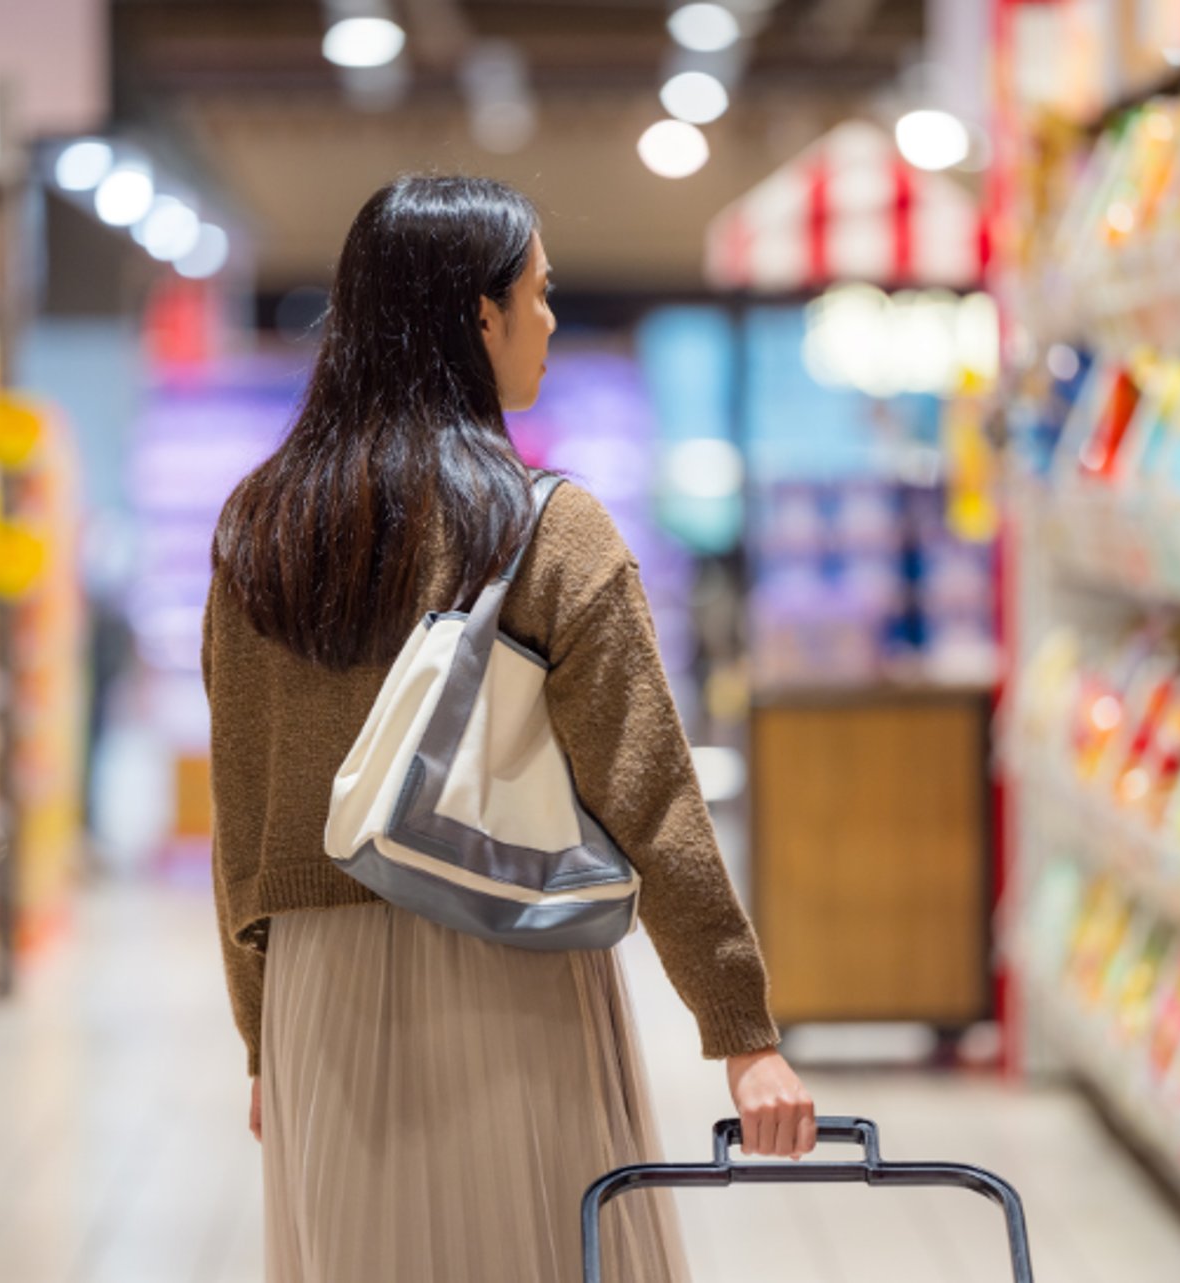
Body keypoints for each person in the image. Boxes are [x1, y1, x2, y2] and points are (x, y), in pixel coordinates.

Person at [203, 174, 814, 1283]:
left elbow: (242, 818)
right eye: (537, 295)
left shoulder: (261, 530)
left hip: (318, 997)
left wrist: (262, 1035)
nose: (545, 322)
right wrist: (743, 1031)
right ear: (478, 315)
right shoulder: (545, 526)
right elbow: (652, 793)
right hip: (509, 953)